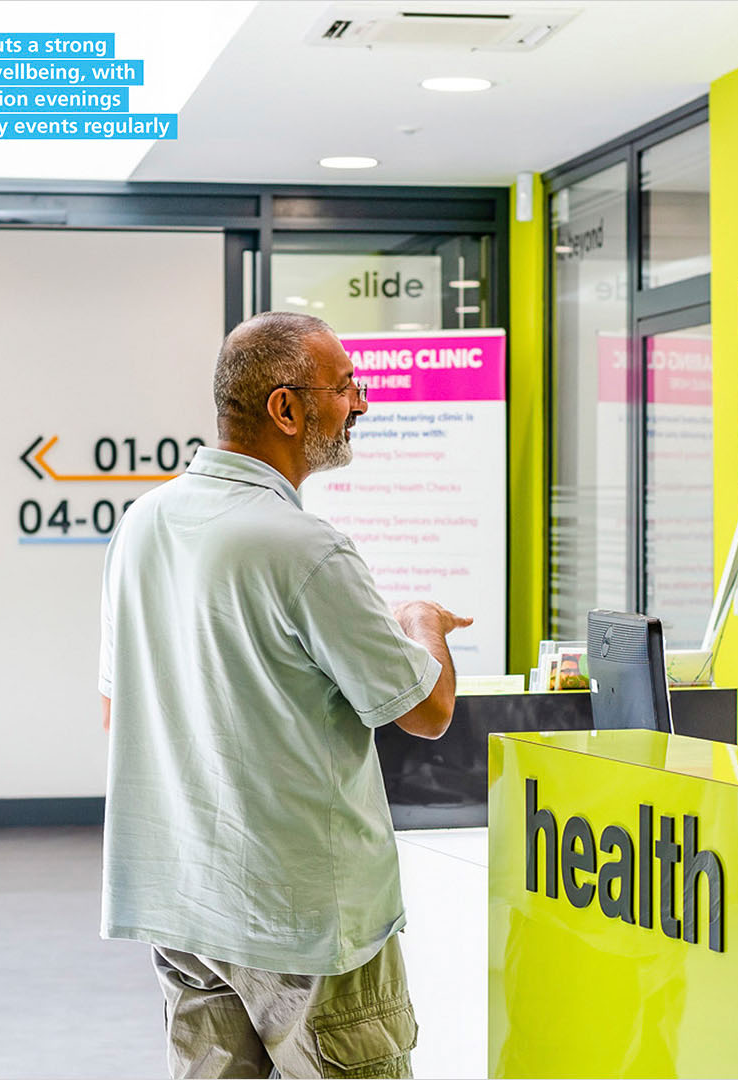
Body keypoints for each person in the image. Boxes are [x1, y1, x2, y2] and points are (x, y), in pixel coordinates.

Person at [98, 311, 471, 1078]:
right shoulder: (303, 545)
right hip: (305, 924)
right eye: (345, 387)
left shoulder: (144, 523)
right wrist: (421, 622)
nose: (361, 403)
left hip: (185, 906)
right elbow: (427, 711)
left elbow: (118, 711)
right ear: (286, 407)